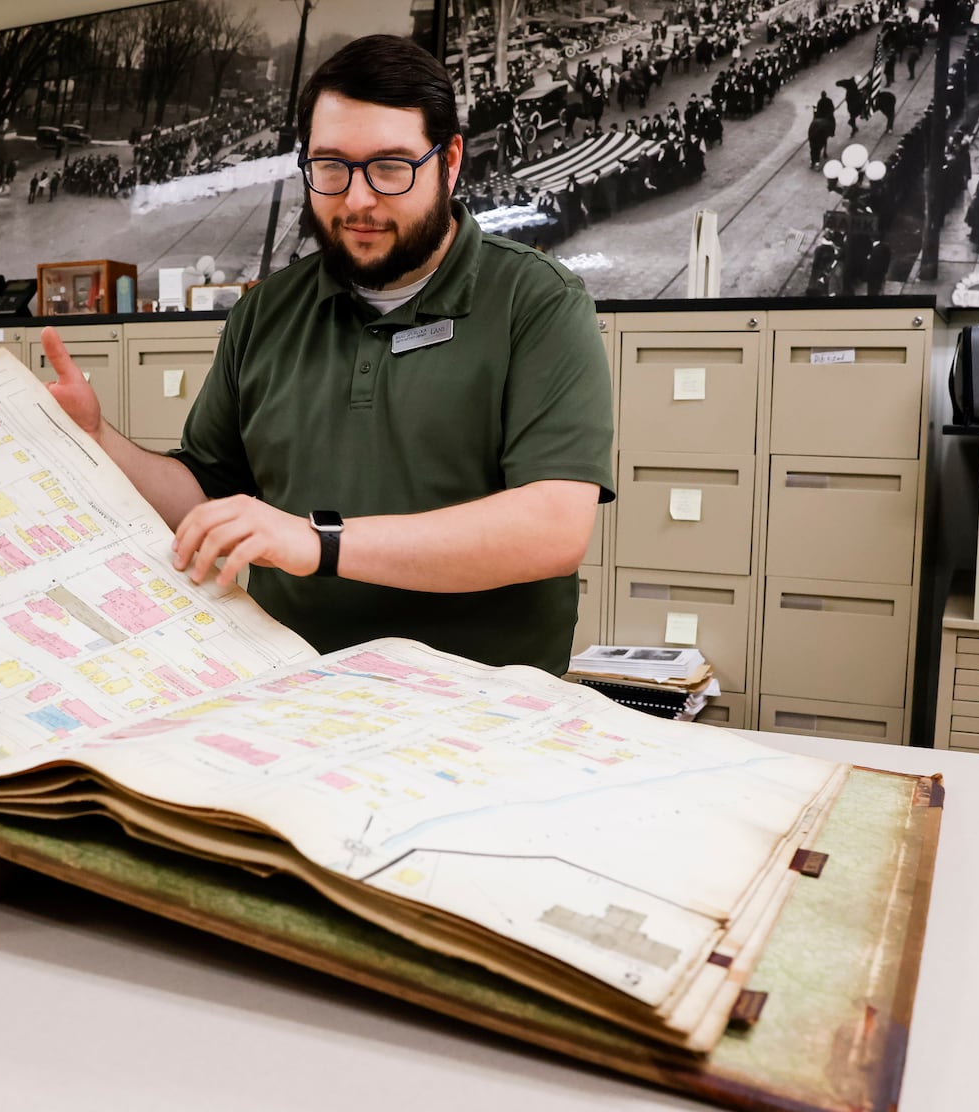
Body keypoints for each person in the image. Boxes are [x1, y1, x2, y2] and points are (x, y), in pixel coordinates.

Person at [39, 35, 613, 675]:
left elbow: (552, 529)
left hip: (481, 714)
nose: (358, 199)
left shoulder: (537, 302)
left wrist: (321, 544)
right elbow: (205, 495)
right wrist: (95, 440)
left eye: (391, 167)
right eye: (332, 166)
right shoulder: (264, 313)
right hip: (292, 695)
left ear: (450, 162)